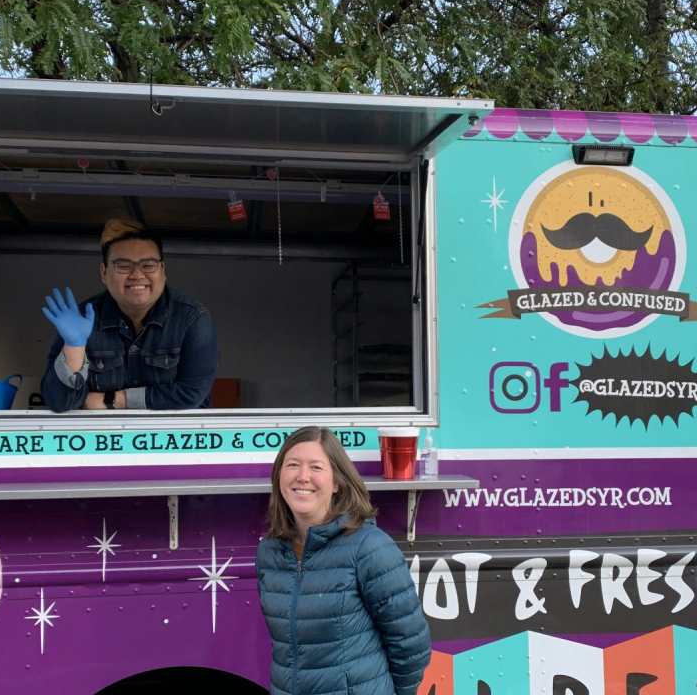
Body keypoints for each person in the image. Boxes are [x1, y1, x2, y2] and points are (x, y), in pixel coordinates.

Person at [257, 426, 431, 695]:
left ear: (337, 482)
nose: (303, 477)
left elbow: (411, 645)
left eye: (316, 467)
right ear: (279, 476)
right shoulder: (270, 551)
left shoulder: (369, 547)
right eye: (293, 465)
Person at [39, 219, 219, 412]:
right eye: (123, 265)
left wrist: (112, 401)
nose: (137, 275)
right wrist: (74, 347)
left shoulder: (192, 318)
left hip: (177, 438)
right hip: (105, 438)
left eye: (148, 264)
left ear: (163, 271)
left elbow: (190, 394)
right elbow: (59, 402)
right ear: (104, 272)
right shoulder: (81, 320)